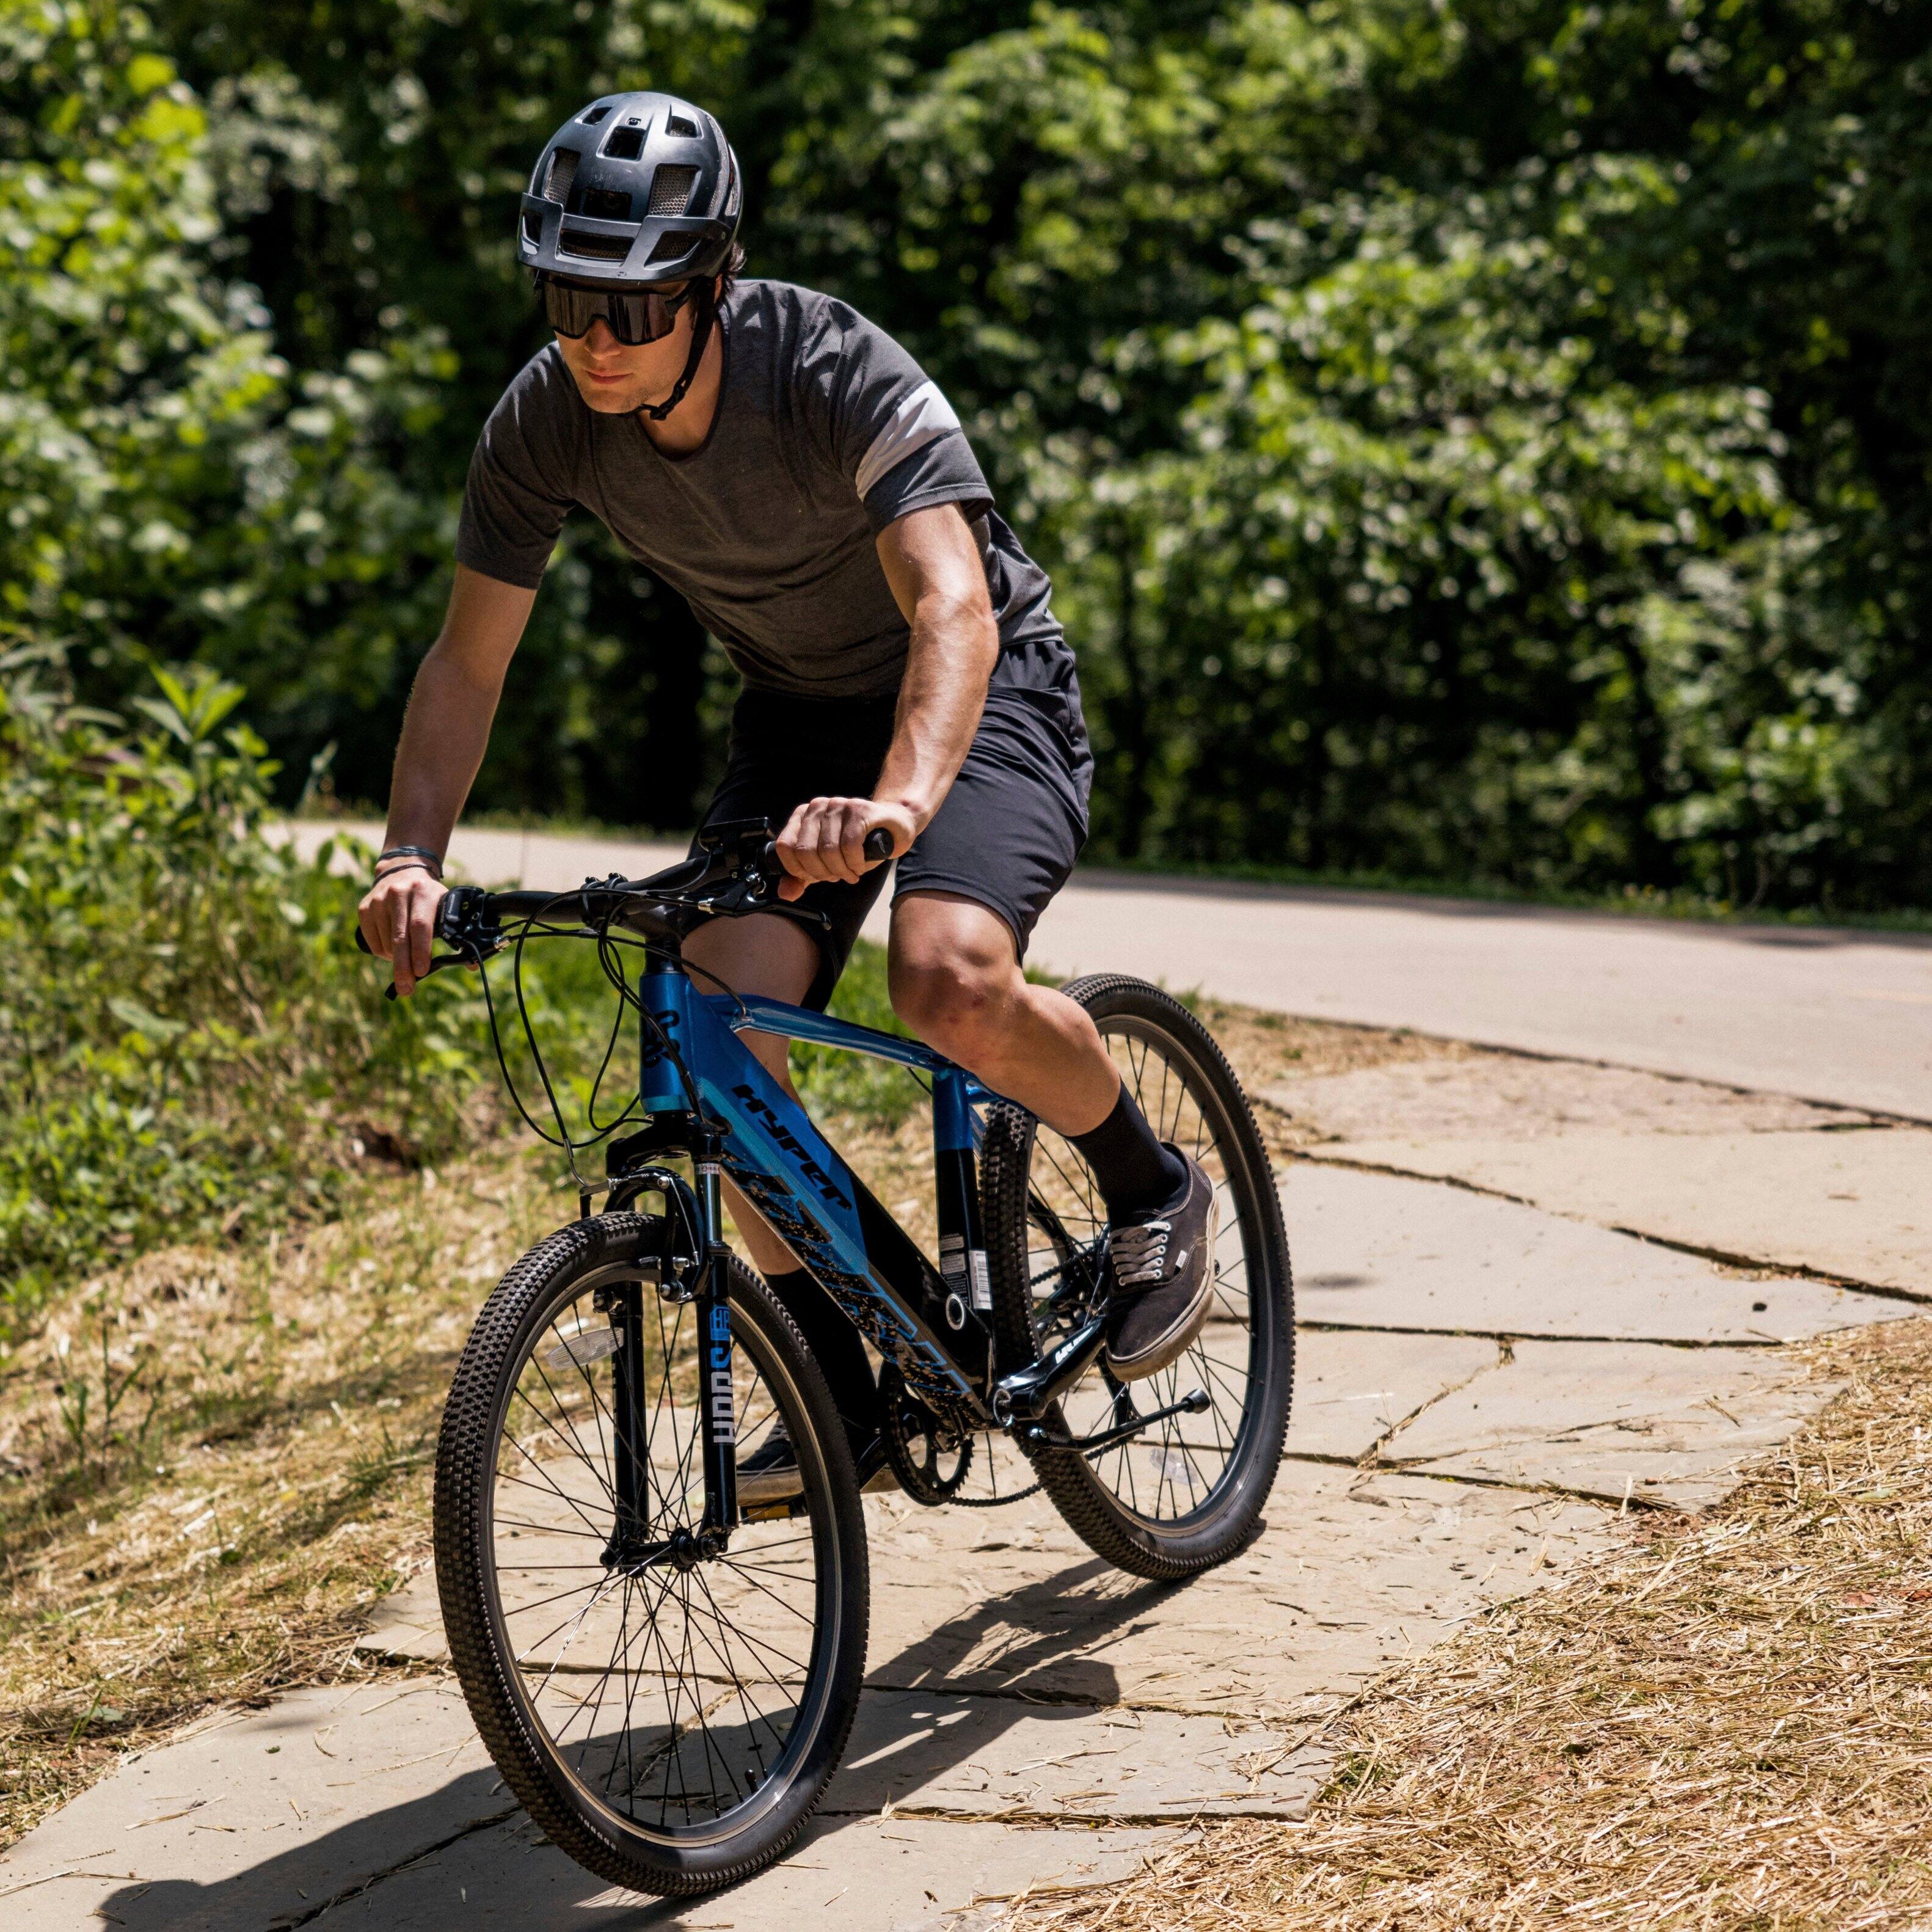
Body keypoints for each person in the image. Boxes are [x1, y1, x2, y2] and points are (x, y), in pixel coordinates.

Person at [357, 91, 1215, 1497]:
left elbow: (953, 606)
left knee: (941, 977)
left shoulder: (826, 365)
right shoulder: (545, 424)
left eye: (629, 307)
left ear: (709, 287)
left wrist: (895, 806)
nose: (590, 337)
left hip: (984, 696)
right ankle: (836, 1374)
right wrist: (409, 857)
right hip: (800, 719)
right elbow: (466, 663)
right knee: (704, 1029)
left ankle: (1147, 1184)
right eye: (568, 297)